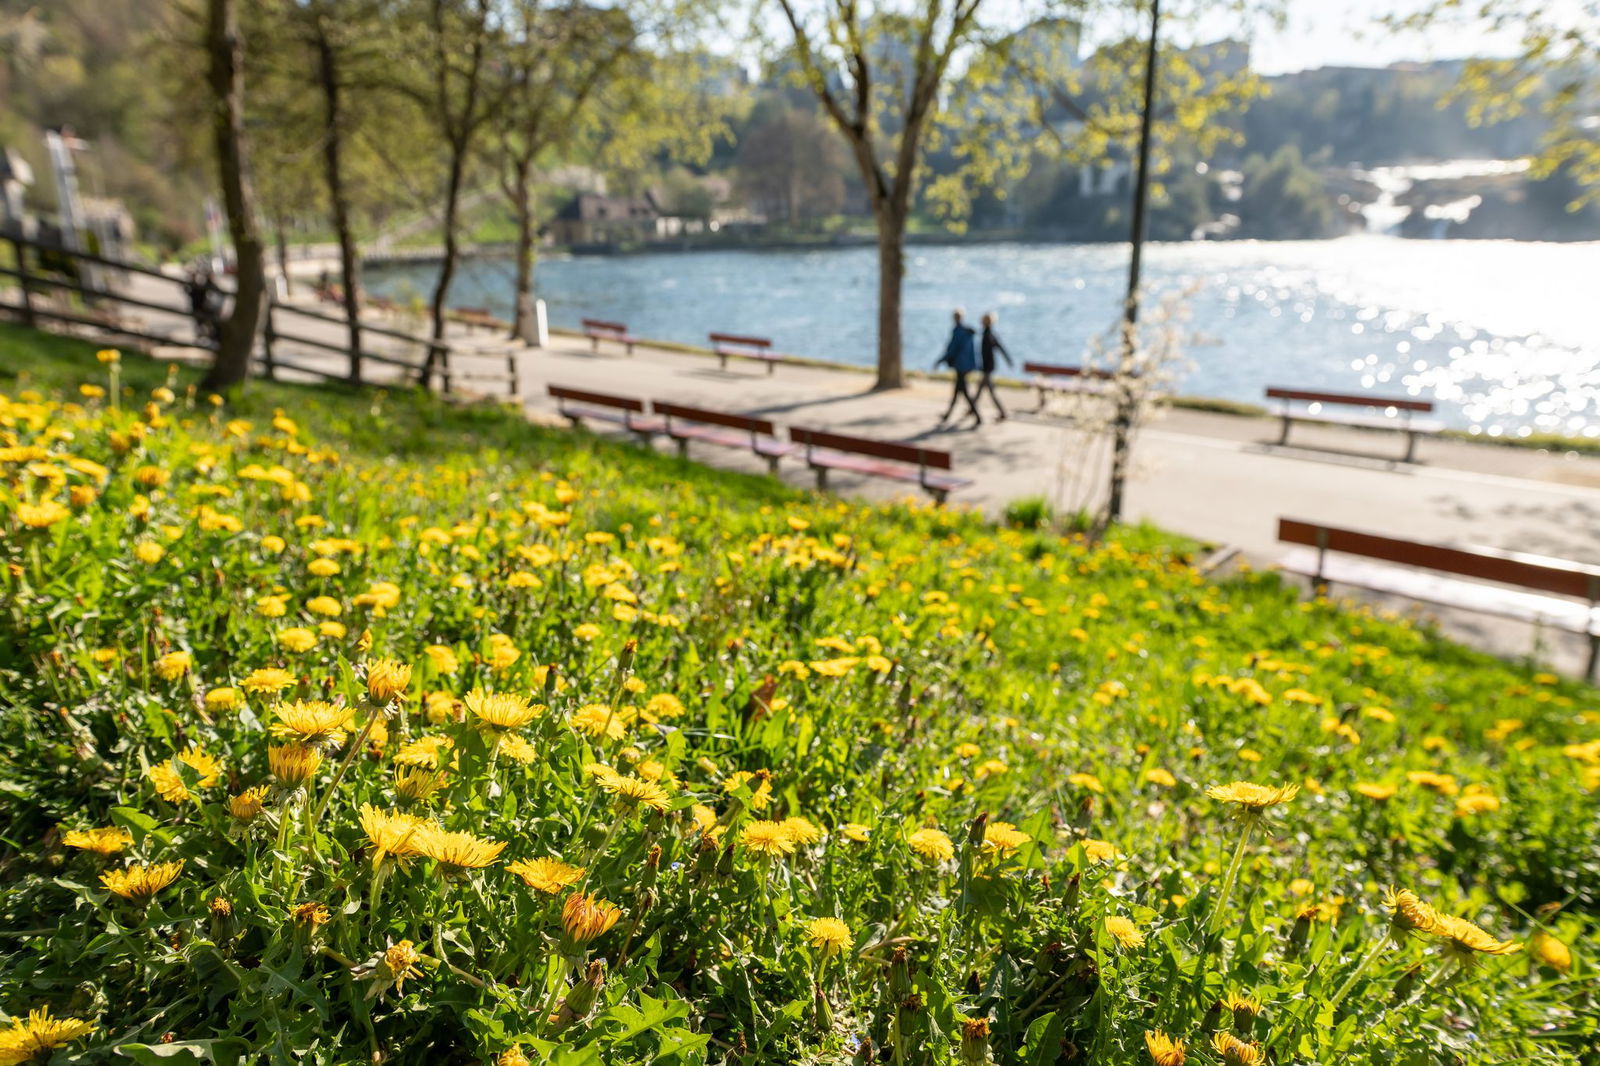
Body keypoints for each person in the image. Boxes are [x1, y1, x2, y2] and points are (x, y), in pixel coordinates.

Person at [935, 308, 982, 427]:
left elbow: (952, 348)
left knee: (963, 392)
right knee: (958, 391)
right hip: (966, 365)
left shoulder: (959, 331)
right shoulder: (967, 331)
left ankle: (977, 416)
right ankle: (948, 415)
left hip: (961, 365)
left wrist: (941, 360)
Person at [978, 312, 1014, 420]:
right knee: (979, 389)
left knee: (990, 391)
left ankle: (1003, 412)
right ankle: (972, 408)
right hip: (988, 367)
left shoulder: (988, 335)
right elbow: (1000, 348)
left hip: (987, 367)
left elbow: (997, 348)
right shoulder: (988, 334)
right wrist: (1008, 360)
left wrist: (1008, 360)